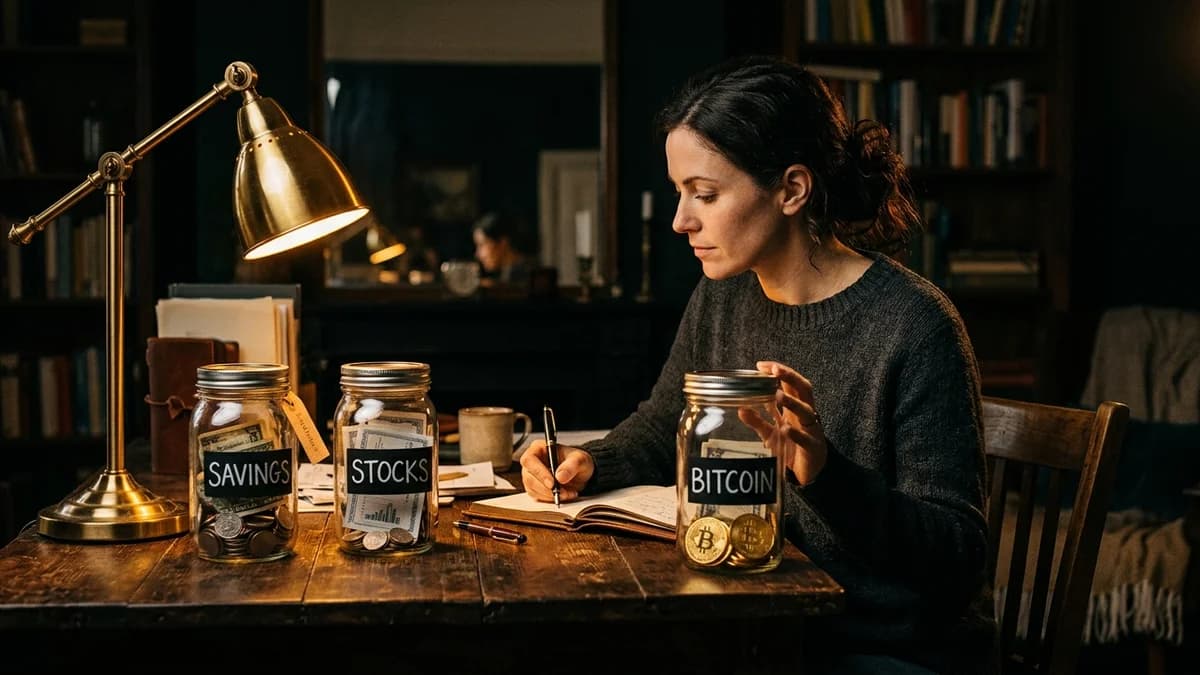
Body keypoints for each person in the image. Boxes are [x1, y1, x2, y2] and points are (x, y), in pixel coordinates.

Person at [519, 55, 996, 675]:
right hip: (755, 624)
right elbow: (666, 420)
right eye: (679, 192)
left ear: (792, 189)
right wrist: (590, 462)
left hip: (881, 646)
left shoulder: (914, 324)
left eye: (705, 194)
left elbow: (957, 557)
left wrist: (825, 474)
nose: (680, 220)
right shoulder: (723, 294)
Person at [472, 211, 532, 286]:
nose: (477, 254)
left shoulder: (526, 279)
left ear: (503, 243)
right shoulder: (508, 275)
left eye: (481, 245)